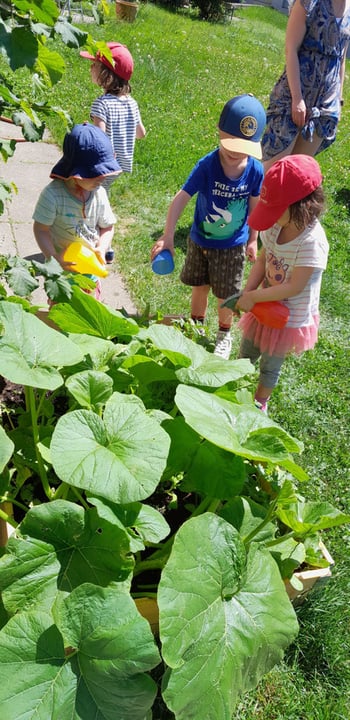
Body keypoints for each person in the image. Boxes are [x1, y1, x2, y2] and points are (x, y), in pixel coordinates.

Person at [150, 94, 266, 360]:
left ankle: (224, 334)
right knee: (199, 287)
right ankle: (196, 328)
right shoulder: (207, 165)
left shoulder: (255, 171)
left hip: (232, 247)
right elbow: (181, 198)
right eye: (230, 142)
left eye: (243, 146)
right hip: (200, 242)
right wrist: (168, 236)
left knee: (226, 294)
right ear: (219, 131)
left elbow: (255, 206)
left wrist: (252, 239)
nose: (235, 151)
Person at [234, 154, 329, 414]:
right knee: (248, 348)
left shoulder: (312, 243)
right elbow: (264, 259)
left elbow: (294, 287)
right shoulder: (275, 225)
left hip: (288, 316)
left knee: (271, 364)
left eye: (275, 212)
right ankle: (232, 385)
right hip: (263, 304)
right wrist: (250, 290)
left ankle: (259, 403)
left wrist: (254, 298)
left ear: (302, 206)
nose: (271, 218)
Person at [33, 122, 121, 299]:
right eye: (96, 173)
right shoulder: (53, 195)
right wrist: (54, 258)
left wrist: (101, 248)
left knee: (89, 316)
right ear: (76, 173)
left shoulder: (99, 193)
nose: (103, 178)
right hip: (63, 274)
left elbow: (107, 227)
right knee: (62, 315)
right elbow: (41, 229)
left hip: (91, 271)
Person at [262, 0, 350, 171]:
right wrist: (297, 98)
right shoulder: (309, 2)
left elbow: (341, 58)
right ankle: (244, 195)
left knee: (296, 170)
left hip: (325, 105)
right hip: (295, 95)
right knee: (273, 165)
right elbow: (291, 48)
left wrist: (338, 100)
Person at [80, 42, 146, 192]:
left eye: (95, 65)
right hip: (119, 166)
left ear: (107, 75)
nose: (91, 68)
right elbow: (141, 133)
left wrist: (87, 130)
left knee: (89, 193)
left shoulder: (101, 104)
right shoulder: (132, 103)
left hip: (103, 163)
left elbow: (99, 139)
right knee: (102, 191)